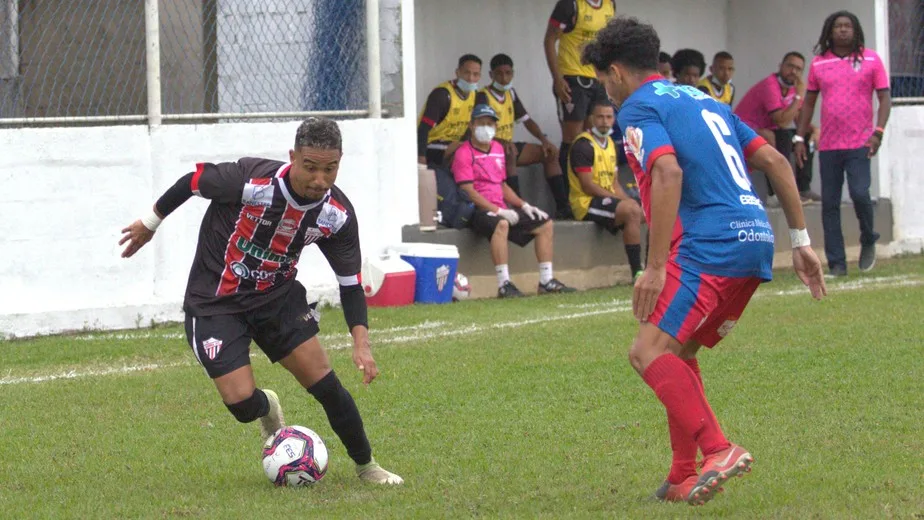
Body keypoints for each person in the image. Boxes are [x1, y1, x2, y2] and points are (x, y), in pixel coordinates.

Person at [582, 17, 826, 505]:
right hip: (754, 237)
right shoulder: (704, 100)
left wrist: (652, 268)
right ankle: (681, 476)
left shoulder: (638, 108)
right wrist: (801, 241)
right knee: (680, 351)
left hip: (707, 244)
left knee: (646, 351)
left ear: (615, 72)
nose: (605, 91)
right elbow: (775, 161)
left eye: (601, 80)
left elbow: (667, 172)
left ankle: (719, 448)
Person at [118, 117, 404, 485]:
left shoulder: (336, 215)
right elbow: (190, 182)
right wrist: (150, 222)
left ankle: (367, 466)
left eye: (330, 169)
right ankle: (267, 405)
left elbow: (350, 284)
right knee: (240, 404)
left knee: (326, 384)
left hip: (276, 300)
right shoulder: (249, 180)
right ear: (293, 157)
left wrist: (361, 344)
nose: (319, 179)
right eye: (310, 167)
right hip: (215, 302)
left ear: (340, 162)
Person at [794, 10, 892, 277]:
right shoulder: (819, 63)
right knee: (830, 204)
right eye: (838, 26)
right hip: (829, 145)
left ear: (856, 29)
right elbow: (809, 103)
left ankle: (868, 237)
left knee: (860, 194)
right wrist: (800, 137)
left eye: (848, 25)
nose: (843, 30)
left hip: (861, 142)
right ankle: (837, 264)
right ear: (830, 31)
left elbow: (884, 98)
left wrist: (878, 132)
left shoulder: (871, 59)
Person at [452, 104, 576, 298]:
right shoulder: (464, 153)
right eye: (481, 123)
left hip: (501, 207)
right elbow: (468, 191)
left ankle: (546, 281)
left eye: (490, 124)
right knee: (501, 224)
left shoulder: (498, 148)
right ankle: (504, 284)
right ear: (471, 125)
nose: (486, 128)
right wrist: (498, 211)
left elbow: (501, 185)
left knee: (545, 224)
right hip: (476, 210)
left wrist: (523, 205)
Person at [544, 0, 617, 215]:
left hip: (597, 79)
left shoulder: (610, 4)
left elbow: (609, 45)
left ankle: (591, 196)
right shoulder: (570, 5)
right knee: (573, 139)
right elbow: (549, 40)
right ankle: (568, 202)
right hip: (572, 78)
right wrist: (557, 79)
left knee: (592, 138)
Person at [476, 53, 569, 216]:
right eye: (499, 73)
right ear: (491, 75)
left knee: (549, 154)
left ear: (513, 73)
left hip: (507, 145)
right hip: (488, 148)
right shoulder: (483, 96)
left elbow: (526, 120)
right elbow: (481, 129)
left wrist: (544, 140)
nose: (504, 78)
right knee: (510, 153)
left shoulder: (510, 93)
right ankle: (519, 209)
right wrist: (502, 142)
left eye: (508, 73)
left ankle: (563, 208)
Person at [568, 101, 645, 281]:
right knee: (632, 211)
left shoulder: (611, 143)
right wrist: (624, 204)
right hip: (586, 202)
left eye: (609, 117)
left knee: (646, 212)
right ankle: (637, 272)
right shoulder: (583, 145)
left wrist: (627, 201)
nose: (604, 121)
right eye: (600, 117)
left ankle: (652, 267)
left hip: (607, 200)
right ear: (591, 119)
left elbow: (615, 183)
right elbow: (587, 186)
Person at [735, 52, 821, 205]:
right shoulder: (770, 85)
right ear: (781, 66)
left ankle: (803, 189)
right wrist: (800, 96)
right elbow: (781, 121)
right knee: (781, 135)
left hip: (767, 131)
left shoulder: (793, 89)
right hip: (742, 130)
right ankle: (776, 194)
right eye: (790, 66)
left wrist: (814, 130)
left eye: (798, 69)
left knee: (803, 137)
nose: (793, 71)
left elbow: (798, 120)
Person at [418, 54, 482, 168]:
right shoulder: (442, 94)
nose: (471, 78)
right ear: (457, 72)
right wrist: (420, 156)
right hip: (431, 144)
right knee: (463, 151)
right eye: (467, 73)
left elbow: (469, 128)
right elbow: (423, 129)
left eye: (475, 74)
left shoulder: (475, 95)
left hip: (453, 144)